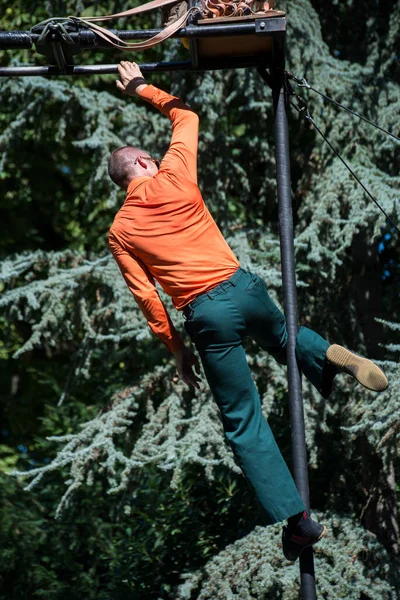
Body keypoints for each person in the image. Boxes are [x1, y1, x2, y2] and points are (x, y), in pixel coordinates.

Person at [107, 61, 388, 562]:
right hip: (243, 286)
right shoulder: (173, 174)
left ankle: (298, 521)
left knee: (243, 419)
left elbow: (148, 299)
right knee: (283, 336)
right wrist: (140, 87)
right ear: (146, 162)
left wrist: (177, 351)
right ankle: (329, 352)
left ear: (123, 182)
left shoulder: (120, 230)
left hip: (205, 314)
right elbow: (186, 117)